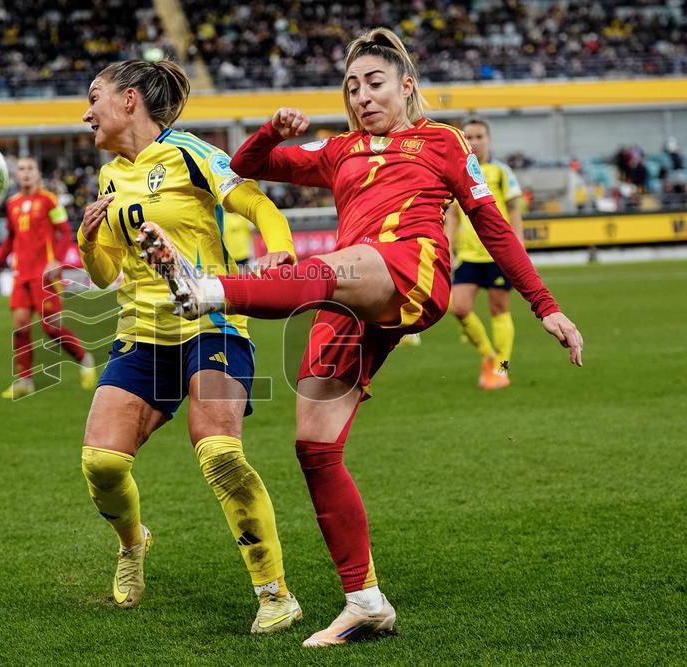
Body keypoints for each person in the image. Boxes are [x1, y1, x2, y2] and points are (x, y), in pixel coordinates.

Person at [138, 28, 583, 648]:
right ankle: (365, 602)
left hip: (410, 266)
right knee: (314, 446)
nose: (362, 96)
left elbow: (493, 223)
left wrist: (546, 306)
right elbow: (246, 167)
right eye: (351, 87)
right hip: (352, 296)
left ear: (406, 85)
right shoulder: (339, 149)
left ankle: (205, 290)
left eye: (374, 83)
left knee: (334, 266)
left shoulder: (444, 142)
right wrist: (274, 131)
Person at [77, 59, 304, 633]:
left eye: (94, 97)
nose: (87, 112)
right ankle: (133, 544)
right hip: (142, 334)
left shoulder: (190, 152)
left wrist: (277, 247)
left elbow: (256, 202)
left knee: (220, 453)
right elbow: (104, 275)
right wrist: (85, 240)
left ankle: (275, 593)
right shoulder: (108, 178)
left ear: (129, 100)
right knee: (101, 464)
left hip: (210, 323)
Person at [0, 157, 96, 398]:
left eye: (30, 169)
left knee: (50, 328)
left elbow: (65, 233)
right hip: (20, 274)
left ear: (37, 174)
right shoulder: (12, 204)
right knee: (20, 326)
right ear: (16, 176)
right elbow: (10, 240)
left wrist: (55, 259)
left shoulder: (49, 200)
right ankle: (25, 381)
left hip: (44, 275)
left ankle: (84, 358)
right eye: (21, 169)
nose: (25, 173)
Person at [444, 117, 525, 389]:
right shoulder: (458, 171)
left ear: (488, 139)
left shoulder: (501, 172)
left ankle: (502, 367)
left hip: (498, 254)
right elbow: (453, 214)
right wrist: (447, 245)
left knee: (499, 310)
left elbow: (514, 210)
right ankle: (488, 356)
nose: (474, 142)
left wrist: (519, 246)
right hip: (468, 255)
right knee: (459, 308)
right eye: (469, 137)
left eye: (479, 137)